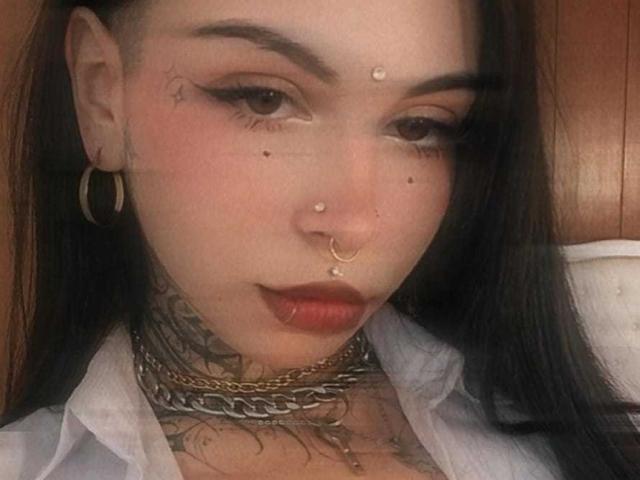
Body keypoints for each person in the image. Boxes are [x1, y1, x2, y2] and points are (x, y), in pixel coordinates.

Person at [0, 0, 638, 479]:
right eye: (265, 98)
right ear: (102, 97)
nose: (354, 226)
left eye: (421, 126)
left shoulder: (542, 436)